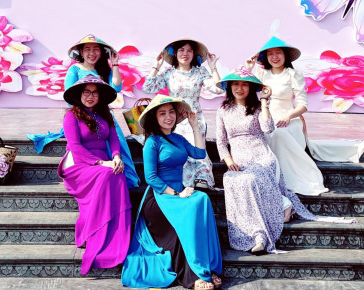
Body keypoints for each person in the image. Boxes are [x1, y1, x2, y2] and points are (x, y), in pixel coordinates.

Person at [216, 67, 357, 255]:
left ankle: (261, 236)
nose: (240, 88)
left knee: (250, 180)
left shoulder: (257, 108)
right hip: (238, 161)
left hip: (261, 157)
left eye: (244, 84)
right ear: (229, 87)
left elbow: (267, 128)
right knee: (234, 181)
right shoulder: (223, 110)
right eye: (235, 84)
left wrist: (265, 101)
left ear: (251, 88)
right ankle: (264, 224)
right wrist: (228, 160)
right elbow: (221, 141)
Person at [121, 95, 222, 290]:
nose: (168, 117)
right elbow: (151, 178)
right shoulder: (152, 142)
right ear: (154, 118)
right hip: (159, 197)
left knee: (202, 199)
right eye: (162, 113)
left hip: (178, 193)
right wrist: (177, 195)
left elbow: (200, 154)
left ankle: (207, 267)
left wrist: (194, 126)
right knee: (192, 206)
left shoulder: (178, 139)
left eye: (171, 112)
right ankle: (195, 276)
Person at [246, 36, 364, 196]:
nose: (274, 57)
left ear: (285, 55)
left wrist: (288, 116)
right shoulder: (262, 74)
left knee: (279, 133)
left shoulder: (293, 75)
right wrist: (250, 67)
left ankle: (291, 178)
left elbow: (303, 105)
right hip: (267, 118)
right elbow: (245, 88)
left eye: (278, 53)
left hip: (290, 121)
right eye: (270, 54)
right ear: (266, 57)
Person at [30, 34, 140, 188]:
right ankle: (99, 169)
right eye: (87, 49)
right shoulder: (74, 69)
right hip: (81, 117)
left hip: (102, 115)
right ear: (81, 52)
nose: (92, 53)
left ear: (101, 52)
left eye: (96, 49)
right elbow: (69, 95)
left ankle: (120, 174)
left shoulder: (104, 70)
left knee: (118, 141)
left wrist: (115, 65)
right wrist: (86, 110)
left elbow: (116, 88)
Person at [57, 75, 131, 275]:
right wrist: (101, 162)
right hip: (80, 164)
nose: (90, 96)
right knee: (107, 175)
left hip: (104, 162)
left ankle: (115, 236)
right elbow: (76, 147)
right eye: (86, 92)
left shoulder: (105, 115)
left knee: (117, 173)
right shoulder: (71, 116)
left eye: (95, 92)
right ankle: (93, 229)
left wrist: (116, 157)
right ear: (79, 95)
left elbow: (114, 140)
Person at [142, 38, 224, 189]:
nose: (185, 54)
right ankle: (181, 184)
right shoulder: (168, 73)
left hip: (194, 118)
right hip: (174, 118)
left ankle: (201, 178)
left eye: (189, 50)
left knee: (196, 148)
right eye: (181, 50)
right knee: (178, 150)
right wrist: (157, 65)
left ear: (194, 54)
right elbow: (148, 87)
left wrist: (213, 68)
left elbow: (218, 89)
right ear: (175, 54)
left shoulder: (200, 72)